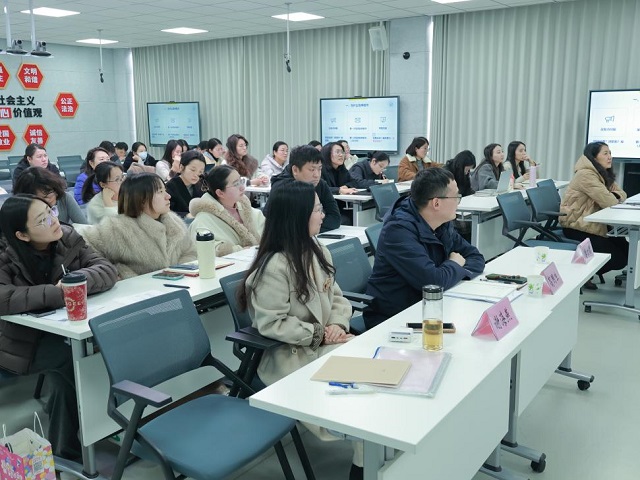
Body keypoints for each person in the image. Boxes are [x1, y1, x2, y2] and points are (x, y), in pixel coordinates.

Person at [237, 181, 360, 478]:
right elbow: (273, 323)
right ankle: (362, 466)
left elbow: (338, 298)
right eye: (317, 209)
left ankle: (366, 463)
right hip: (289, 354)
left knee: (371, 385)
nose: (323, 215)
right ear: (297, 217)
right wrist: (320, 334)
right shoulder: (274, 267)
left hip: (325, 343)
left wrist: (336, 325)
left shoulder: (318, 251)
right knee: (359, 401)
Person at [0, 195, 117, 458]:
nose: (54, 220)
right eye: (42, 220)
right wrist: (57, 293)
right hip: (22, 343)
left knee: (69, 375)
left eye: (51, 211)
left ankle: (65, 450)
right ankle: (104, 428)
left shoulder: (67, 237)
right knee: (78, 362)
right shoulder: (5, 255)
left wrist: (76, 280)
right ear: (22, 235)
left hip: (66, 330)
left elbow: (106, 269)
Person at [364, 168, 485, 329]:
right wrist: (455, 264)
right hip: (393, 318)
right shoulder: (398, 231)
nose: (459, 201)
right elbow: (433, 283)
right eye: (456, 196)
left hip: (430, 307)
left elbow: (476, 257)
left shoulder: (442, 223)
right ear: (436, 203)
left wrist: (451, 274)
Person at [81, 173, 196, 279]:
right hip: (136, 291)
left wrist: (179, 272)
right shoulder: (117, 228)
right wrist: (121, 272)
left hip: (179, 286)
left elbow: (190, 252)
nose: (168, 196)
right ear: (141, 199)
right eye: (160, 192)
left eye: (165, 190)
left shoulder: (176, 224)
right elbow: (85, 251)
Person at [560, 142, 628, 289]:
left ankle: (586, 272)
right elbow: (610, 202)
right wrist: (614, 196)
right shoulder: (585, 174)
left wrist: (614, 196)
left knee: (627, 251)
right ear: (594, 157)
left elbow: (622, 194)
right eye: (605, 153)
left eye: (610, 153)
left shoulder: (602, 173)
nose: (610, 157)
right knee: (618, 259)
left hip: (594, 225)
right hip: (577, 226)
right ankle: (580, 274)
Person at [189, 165, 264, 256]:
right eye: (236, 184)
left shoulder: (250, 211)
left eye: (241, 181)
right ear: (220, 193)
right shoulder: (203, 220)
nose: (242, 187)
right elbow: (207, 250)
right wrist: (238, 250)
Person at [269, 145, 341, 232]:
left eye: (319, 169)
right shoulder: (281, 188)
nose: (317, 175)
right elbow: (285, 226)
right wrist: (312, 227)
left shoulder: (319, 183)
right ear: (295, 170)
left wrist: (312, 227)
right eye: (312, 169)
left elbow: (335, 218)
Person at [13, 166, 87, 225]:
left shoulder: (64, 198)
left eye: (50, 193)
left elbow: (84, 226)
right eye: (42, 198)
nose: (47, 200)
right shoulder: (21, 210)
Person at [444, 150, 477, 241]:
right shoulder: (446, 174)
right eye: (467, 169)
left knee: (473, 219)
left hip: (460, 204)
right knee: (465, 224)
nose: (467, 172)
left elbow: (467, 189)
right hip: (449, 205)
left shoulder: (464, 174)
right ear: (461, 166)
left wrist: (474, 195)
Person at [165, 150, 206, 217]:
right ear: (181, 167)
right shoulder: (170, 187)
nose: (196, 175)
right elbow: (167, 212)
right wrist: (186, 215)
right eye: (193, 170)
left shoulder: (201, 184)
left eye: (200, 172)